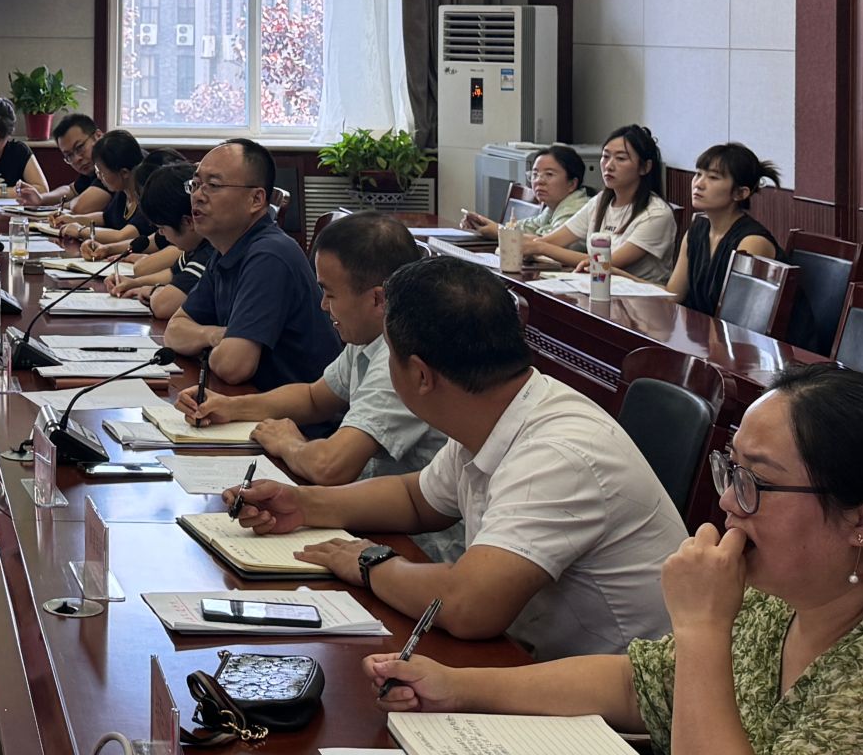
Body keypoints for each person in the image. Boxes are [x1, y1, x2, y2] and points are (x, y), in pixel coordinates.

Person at [365, 363, 863, 755]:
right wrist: (456, 687)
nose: (728, 500)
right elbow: (638, 686)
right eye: (730, 470)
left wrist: (701, 627)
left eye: (757, 482)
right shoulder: (776, 597)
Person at [229, 255, 684, 659]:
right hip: (538, 662)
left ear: (421, 375)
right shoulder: (497, 406)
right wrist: (303, 504)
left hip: (625, 705)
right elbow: (417, 499)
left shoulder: (556, 454)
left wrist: (370, 563)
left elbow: (470, 606)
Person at [177, 213, 461, 560]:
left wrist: (290, 444)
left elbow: (331, 466)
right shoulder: (369, 335)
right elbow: (315, 397)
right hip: (372, 515)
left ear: (378, 299)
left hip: (420, 547)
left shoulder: (401, 359)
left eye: (329, 293)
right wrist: (231, 407)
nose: (323, 305)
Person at [162, 139, 341, 388]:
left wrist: (206, 343)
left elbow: (233, 366)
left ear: (256, 199)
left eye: (213, 185)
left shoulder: (270, 255)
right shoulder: (226, 248)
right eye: (195, 184)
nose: (198, 196)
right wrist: (216, 335)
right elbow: (174, 330)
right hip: (252, 400)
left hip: (296, 410)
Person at [519, 124, 677, 282]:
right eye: (605, 156)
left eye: (621, 158)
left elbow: (604, 264)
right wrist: (526, 245)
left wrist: (541, 248)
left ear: (645, 167)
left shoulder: (656, 214)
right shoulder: (600, 201)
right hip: (595, 287)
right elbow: (552, 240)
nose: (609, 166)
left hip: (639, 295)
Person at [669, 143, 784, 317]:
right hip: (706, 328)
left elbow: (736, 317)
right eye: (698, 174)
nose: (698, 184)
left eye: (713, 177)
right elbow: (673, 295)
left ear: (740, 193)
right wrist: (626, 279)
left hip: (741, 332)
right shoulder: (696, 230)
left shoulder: (752, 242)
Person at [116, 162, 212, 318]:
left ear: (188, 222)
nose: (161, 233)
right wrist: (135, 283)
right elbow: (173, 274)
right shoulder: (196, 246)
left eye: (162, 228)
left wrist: (153, 291)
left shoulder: (211, 251)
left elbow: (163, 306)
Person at [459, 144, 592, 243]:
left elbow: (547, 243)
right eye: (535, 174)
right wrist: (486, 224)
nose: (539, 181)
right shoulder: (553, 206)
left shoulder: (576, 208)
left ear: (572, 184)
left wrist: (499, 232)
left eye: (549, 174)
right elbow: (528, 227)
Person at [58, 130, 150, 257]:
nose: (98, 177)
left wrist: (80, 230)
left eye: (101, 172)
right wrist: (73, 219)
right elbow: (106, 217)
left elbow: (122, 236)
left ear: (124, 173)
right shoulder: (123, 191)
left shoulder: (147, 198)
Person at [14, 112, 110, 214]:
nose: (76, 159)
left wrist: (62, 205)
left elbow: (80, 207)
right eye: (69, 155)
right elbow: (71, 190)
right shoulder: (91, 170)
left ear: (98, 136)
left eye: (79, 147)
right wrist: (41, 198)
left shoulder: (111, 163)